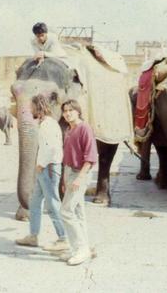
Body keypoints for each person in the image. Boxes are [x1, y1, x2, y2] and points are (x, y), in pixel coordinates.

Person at [15, 94, 69, 252]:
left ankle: (63, 238)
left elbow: (51, 148)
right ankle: (33, 235)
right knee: (34, 202)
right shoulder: (46, 123)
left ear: (38, 107)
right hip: (45, 168)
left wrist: (41, 165)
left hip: (48, 168)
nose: (30, 109)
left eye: (31, 106)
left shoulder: (47, 125)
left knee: (52, 204)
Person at [59, 99, 97, 266]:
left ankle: (81, 250)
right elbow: (66, 156)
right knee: (78, 212)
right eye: (65, 111)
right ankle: (82, 248)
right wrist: (63, 179)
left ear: (78, 111)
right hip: (69, 172)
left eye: (71, 110)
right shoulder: (69, 129)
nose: (67, 113)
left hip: (79, 173)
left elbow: (90, 157)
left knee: (66, 211)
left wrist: (80, 178)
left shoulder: (84, 128)